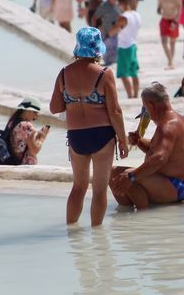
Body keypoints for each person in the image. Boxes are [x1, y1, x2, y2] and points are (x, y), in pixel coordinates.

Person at [49, 26, 128, 226]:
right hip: (101, 134)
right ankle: (97, 234)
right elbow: (115, 111)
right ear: (97, 49)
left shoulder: (65, 74)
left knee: (78, 187)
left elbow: (54, 107)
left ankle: (71, 232)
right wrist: (123, 139)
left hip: (76, 137)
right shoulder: (104, 73)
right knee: (100, 189)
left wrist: (74, 100)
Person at [109, 83, 184, 209]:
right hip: (163, 181)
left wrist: (131, 176)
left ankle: (142, 216)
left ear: (151, 105)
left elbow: (160, 158)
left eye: (145, 107)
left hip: (176, 186)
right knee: (115, 173)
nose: (145, 111)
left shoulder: (168, 125)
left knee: (127, 176)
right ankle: (128, 213)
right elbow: (155, 150)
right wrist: (139, 140)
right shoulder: (172, 120)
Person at [108, 0, 142, 98]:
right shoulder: (137, 14)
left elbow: (111, 32)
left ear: (121, 4)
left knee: (123, 74)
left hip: (124, 47)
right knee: (134, 73)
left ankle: (130, 96)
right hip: (133, 45)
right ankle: (135, 95)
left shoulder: (123, 17)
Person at [6, 97, 49, 165]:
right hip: (25, 166)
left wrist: (36, 136)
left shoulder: (12, 122)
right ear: (27, 111)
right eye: (35, 113)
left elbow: (21, 143)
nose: (36, 117)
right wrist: (42, 138)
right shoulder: (26, 126)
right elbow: (34, 151)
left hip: (14, 162)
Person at [157, 0, 182, 69]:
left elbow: (180, 11)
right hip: (164, 20)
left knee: (172, 43)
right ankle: (170, 62)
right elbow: (159, 8)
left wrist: (175, 22)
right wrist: (159, 10)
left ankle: (170, 63)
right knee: (164, 42)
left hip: (173, 21)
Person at [93, 0, 122, 65]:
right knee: (106, 56)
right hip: (106, 33)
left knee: (115, 57)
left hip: (116, 33)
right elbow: (95, 18)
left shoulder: (119, 5)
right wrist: (95, 31)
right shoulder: (103, 6)